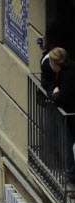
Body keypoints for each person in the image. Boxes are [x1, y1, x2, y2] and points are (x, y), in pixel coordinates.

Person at [46, 47, 75, 184]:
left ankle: (70, 174)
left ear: (53, 63)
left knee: (70, 144)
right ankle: (70, 173)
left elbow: (60, 99)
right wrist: (54, 92)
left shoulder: (68, 75)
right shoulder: (63, 72)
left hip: (72, 116)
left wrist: (54, 94)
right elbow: (52, 86)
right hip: (70, 116)